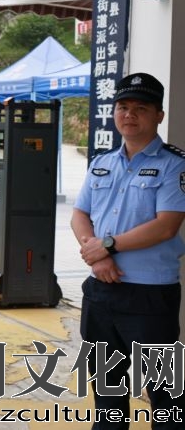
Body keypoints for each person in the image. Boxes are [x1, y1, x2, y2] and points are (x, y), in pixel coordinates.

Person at [71, 72, 185, 429]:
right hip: (102, 292)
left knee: (164, 391)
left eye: (141, 108)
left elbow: (167, 224)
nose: (129, 114)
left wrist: (105, 247)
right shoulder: (101, 162)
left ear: (159, 116)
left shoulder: (175, 165)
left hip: (150, 296)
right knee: (107, 390)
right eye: (123, 106)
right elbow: (79, 214)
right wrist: (97, 254)